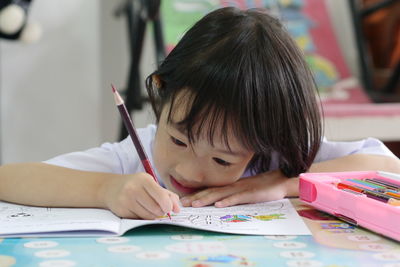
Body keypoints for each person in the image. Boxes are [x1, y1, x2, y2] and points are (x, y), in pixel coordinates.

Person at [0, 7, 399, 220]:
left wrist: (281, 183)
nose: (189, 171)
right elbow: (8, 180)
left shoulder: (275, 158)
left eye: (223, 159)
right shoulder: (130, 161)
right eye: (178, 139)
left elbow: (385, 167)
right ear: (160, 92)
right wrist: (105, 190)